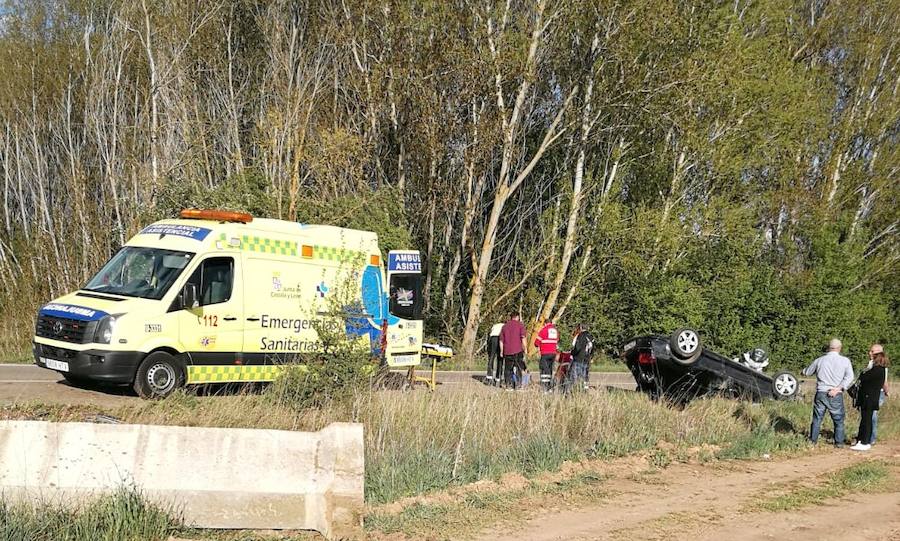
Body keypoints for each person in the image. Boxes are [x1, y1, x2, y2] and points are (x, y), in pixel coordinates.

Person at [803, 338, 854, 447]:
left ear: (829, 347)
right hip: (836, 394)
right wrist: (839, 388)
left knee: (817, 419)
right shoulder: (845, 361)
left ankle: (812, 441)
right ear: (840, 348)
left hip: (821, 392)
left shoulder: (820, 360)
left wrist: (802, 371)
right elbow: (850, 377)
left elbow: (807, 372)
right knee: (838, 420)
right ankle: (839, 442)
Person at [851, 350, 889, 451]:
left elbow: (863, 376)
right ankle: (862, 440)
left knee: (866, 420)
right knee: (866, 419)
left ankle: (865, 441)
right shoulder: (881, 370)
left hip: (869, 398)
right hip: (871, 398)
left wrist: (866, 369)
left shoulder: (876, 370)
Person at [861, 344, 890, 446]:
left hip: (877, 393)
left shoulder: (881, 366)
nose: (870, 353)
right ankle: (865, 436)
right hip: (870, 393)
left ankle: (871, 438)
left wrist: (886, 392)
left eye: (872, 351)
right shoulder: (871, 363)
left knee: (872, 416)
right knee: (868, 416)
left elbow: (884, 381)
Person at [499, 313, 527, 389]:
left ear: (511, 317)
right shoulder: (520, 325)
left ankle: (508, 385)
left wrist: (501, 351)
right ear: (517, 317)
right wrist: (525, 348)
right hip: (518, 350)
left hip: (507, 350)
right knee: (518, 368)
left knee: (508, 369)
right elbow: (523, 337)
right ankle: (518, 385)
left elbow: (501, 341)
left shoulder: (504, 326)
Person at [565, 324, 594, 393]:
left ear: (581, 328)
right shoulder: (591, 337)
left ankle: (569, 391)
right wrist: (591, 357)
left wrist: (572, 354)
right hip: (587, 359)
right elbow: (593, 349)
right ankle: (584, 390)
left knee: (573, 376)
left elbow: (577, 347)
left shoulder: (580, 336)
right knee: (585, 376)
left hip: (578, 358)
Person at [534, 319, 560, 391]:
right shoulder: (556, 331)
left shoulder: (543, 330)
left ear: (545, 323)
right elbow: (557, 341)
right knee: (550, 369)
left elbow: (536, 343)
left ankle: (545, 387)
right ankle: (550, 386)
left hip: (545, 353)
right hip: (553, 353)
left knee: (544, 369)